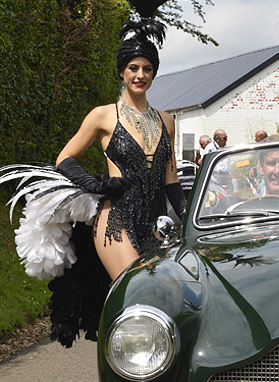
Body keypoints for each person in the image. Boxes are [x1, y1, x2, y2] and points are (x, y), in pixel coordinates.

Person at [54, 5, 185, 281]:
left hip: (157, 222)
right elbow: (64, 159)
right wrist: (96, 185)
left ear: (154, 74)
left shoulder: (167, 121)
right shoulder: (103, 115)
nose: (140, 75)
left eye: (147, 69)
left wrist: (189, 214)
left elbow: (170, 179)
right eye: (133, 68)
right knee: (136, 287)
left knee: (159, 294)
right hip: (116, 220)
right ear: (122, 73)